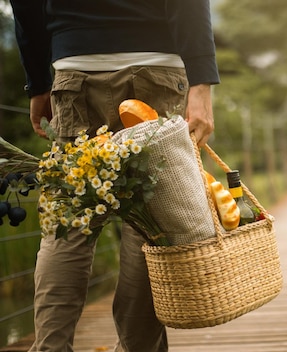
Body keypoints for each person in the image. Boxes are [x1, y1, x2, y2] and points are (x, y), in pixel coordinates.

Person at [9, 1, 220, 351]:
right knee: (153, 224)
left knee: (68, 221)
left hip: (75, 69)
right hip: (155, 65)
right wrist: (201, 81)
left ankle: (50, 346)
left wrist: (38, 83)